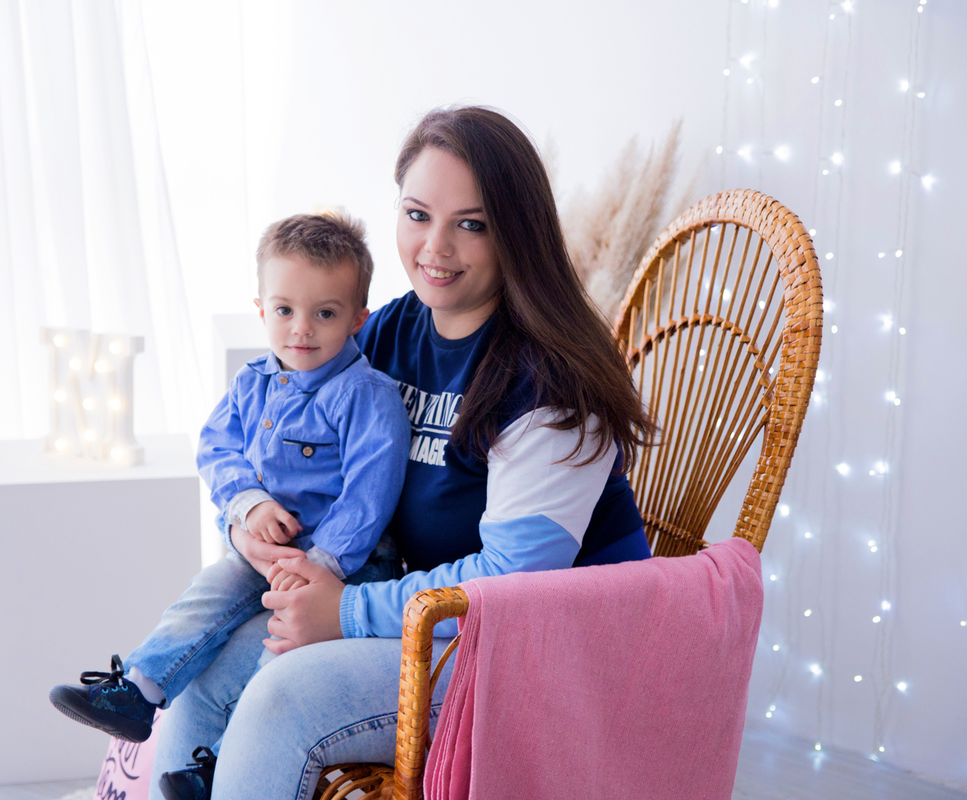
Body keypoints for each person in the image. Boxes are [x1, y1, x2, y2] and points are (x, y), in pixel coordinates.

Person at [151, 106, 655, 800]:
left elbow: (514, 580)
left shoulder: (553, 383)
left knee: (282, 702)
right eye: (418, 214)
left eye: (471, 224)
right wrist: (249, 523)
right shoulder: (388, 334)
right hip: (422, 617)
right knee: (204, 672)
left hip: (539, 652)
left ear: (517, 233)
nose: (435, 247)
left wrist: (344, 614)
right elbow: (280, 454)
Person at [48, 213, 411, 748]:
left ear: (359, 318)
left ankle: (219, 758)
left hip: (343, 566)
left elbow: (369, 495)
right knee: (205, 595)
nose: (301, 329)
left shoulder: (366, 396)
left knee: (279, 653)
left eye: (325, 313)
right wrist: (249, 505)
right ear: (262, 309)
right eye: (285, 310)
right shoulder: (253, 380)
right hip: (261, 548)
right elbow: (218, 447)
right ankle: (139, 691)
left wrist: (321, 566)